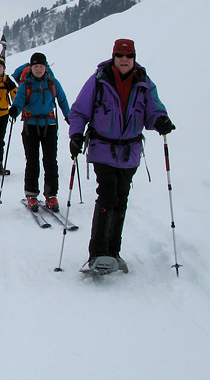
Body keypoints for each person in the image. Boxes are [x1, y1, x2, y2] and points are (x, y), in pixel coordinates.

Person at [68, 39, 175, 270]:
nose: (124, 60)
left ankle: (113, 252)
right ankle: (98, 253)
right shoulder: (99, 80)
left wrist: (161, 121)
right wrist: (76, 135)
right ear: (114, 57)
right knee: (108, 194)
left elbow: (154, 109)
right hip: (102, 148)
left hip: (130, 152)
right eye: (120, 55)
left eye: (129, 56)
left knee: (121, 198)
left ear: (134, 58)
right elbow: (79, 111)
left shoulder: (144, 82)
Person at [9, 52, 70, 212]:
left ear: (45, 67)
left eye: (41, 66)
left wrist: (70, 117)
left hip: (49, 126)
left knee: (50, 161)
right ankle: (31, 195)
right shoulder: (25, 85)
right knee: (32, 161)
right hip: (30, 126)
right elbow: (19, 101)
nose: (38, 69)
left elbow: (62, 100)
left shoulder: (53, 83)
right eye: (35, 66)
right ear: (31, 67)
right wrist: (15, 110)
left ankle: (51, 195)